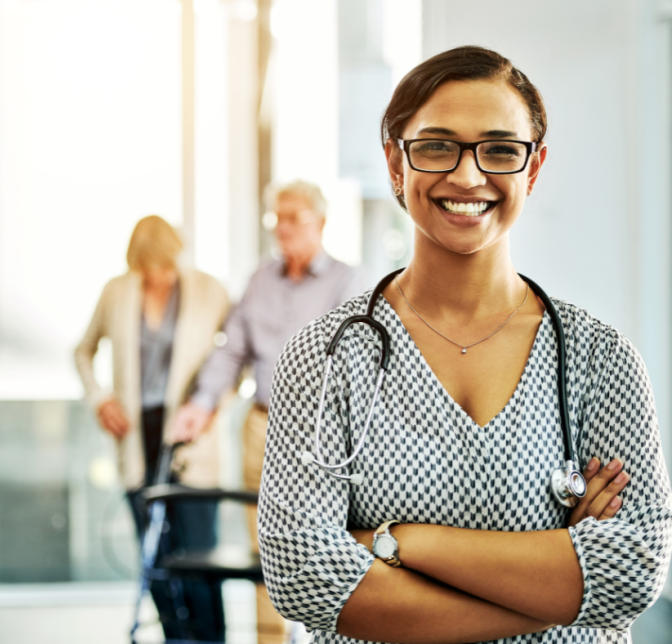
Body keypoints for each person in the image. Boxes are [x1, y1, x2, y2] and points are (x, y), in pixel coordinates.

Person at [257, 46, 672, 644]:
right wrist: (561, 586)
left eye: (500, 149)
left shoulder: (599, 358)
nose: (468, 176)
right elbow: (304, 577)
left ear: (533, 168)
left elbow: (632, 571)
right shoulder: (326, 357)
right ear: (396, 165)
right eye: (436, 146)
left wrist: (399, 541)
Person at [172, 180, 365, 644]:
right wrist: (201, 404)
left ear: (320, 222)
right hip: (261, 427)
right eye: (276, 218)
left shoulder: (348, 281)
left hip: (322, 435)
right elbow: (231, 349)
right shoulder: (260, 279)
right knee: (267, 552)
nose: (283, 228)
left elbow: (357, 365)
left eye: (294, 217)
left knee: (324, 547)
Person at [74, 215, 229, 642]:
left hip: (190, 437)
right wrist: (100, 398)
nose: (157, 277)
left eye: (163, 267)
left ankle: (211, 638)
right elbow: (83, 351)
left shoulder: (209, 291)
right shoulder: (117, 291)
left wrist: (212, 406)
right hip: (136, 436)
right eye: (147, 269)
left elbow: (233, 358)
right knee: (155, 560)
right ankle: (174, 636)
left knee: (199, 557)